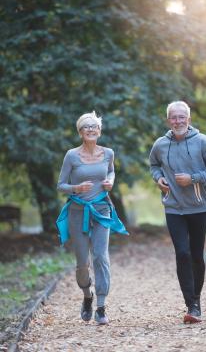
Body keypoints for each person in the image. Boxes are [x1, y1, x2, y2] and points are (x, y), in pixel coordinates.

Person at [149, 101, 206, 323]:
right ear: (168, 120)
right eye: (174, 117)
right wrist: (158, 178)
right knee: (182, 253)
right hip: (173, 208)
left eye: (182, 117)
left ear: (188, 119)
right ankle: (191, 305)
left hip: (198, 206)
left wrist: (193, 179)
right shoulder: (160, 144)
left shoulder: (202, 141)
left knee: (196, 255)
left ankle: (196, 300)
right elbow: (153, 165)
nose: (178, 121)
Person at [56, 111, 128, 325]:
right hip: (78, 212)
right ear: (80, 132)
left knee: (101, 256)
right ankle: (87, 295)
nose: (90, 129)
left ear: (99, 131)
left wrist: (110, 181)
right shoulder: (71, 155)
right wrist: (76, 188)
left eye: (93, 126)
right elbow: (61, 186)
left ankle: (101, 305)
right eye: (85, 126)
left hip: (102, 210)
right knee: (82, 262)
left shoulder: (108, 153)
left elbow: (111, 172)